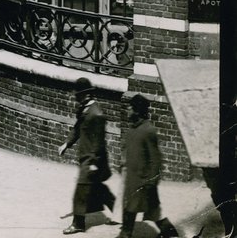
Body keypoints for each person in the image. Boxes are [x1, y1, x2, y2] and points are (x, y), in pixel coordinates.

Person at [117, 93, 178, 238]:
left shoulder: (148, 130)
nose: (127, 111)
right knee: (129, 208)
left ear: (137, 111)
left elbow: (156, 159)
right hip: (132, 179)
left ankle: (171, 234)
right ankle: (125, 234)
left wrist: (152, 181)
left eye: (130, 108)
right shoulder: (132, 129)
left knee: (153, 212)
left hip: (144, 182)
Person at [58, 77, 114, 233]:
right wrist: (66, 144)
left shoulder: (96, 114)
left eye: (77, 95)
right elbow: (77, 128)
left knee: (81, 192)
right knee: (97, 189)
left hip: (91, 159)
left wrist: (93, 162)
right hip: (87, 157)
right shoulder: (85, 110)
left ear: (85, 95)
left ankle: (78, 224)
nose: (76, 97)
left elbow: (99, 141)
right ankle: (118, 211)